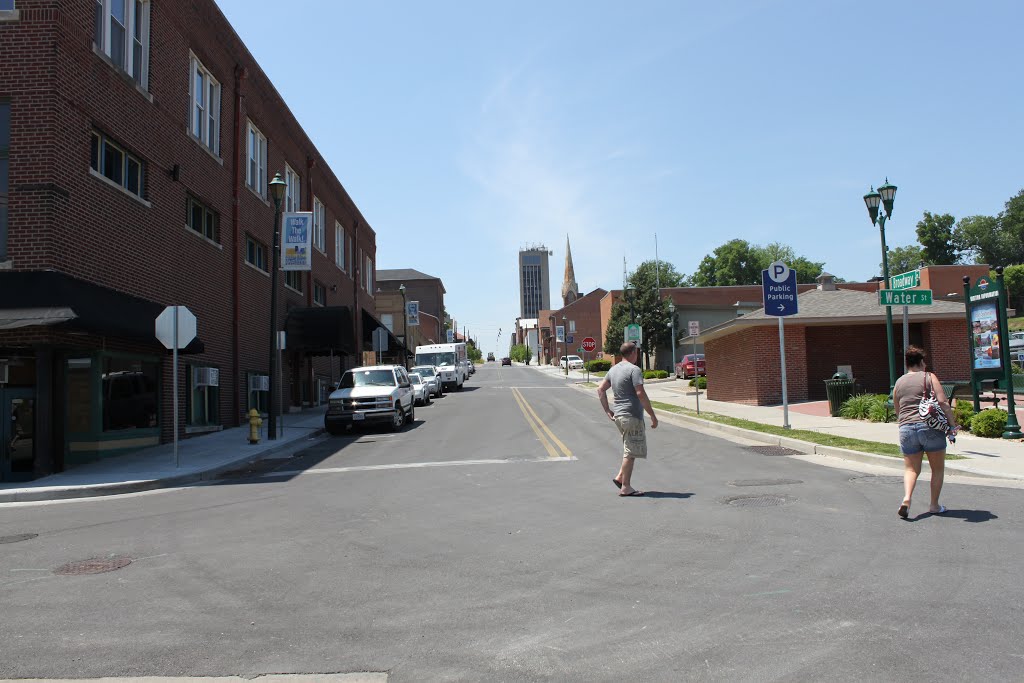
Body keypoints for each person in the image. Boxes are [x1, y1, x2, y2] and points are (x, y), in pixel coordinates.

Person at [892, 345, 958, 519]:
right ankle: (934, 505)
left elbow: (898, 411)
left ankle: (906, 499)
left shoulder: (899, 382)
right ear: (921, 362)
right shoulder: (929, 377)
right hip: (929, 427)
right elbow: (943, 402)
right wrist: (952, 425)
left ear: (907, 364)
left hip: (906, 429)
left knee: (911, 469)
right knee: (937, 469)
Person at [597, 342, 658, 497]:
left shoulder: (613, 369)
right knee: (630, 453)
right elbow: (640, 393)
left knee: (629, 448)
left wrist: (607, 410)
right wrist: (652, 414)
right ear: (632, 353)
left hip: (619, 416)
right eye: (636, 353)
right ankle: (626, 487)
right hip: (631, 416)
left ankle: (620, 477)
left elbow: (600, 389)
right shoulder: (634, 370)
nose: (637, 356)